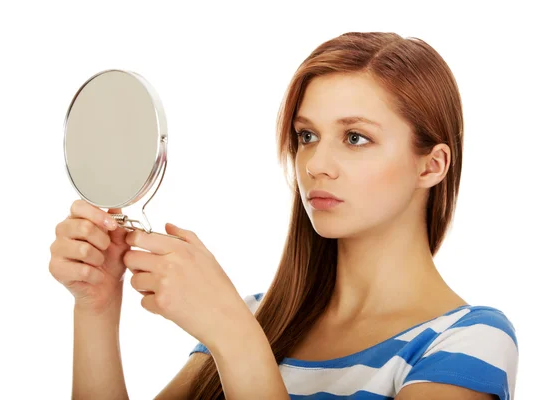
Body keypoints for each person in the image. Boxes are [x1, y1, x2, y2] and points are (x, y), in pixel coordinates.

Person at [49, 32, 518, 400]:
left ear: (430, 165)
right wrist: (96, 305)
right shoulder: (260, 316)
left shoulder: (468, 340)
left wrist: (235, 339)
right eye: (307, 136)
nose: (315, 165)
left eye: (355, 137)